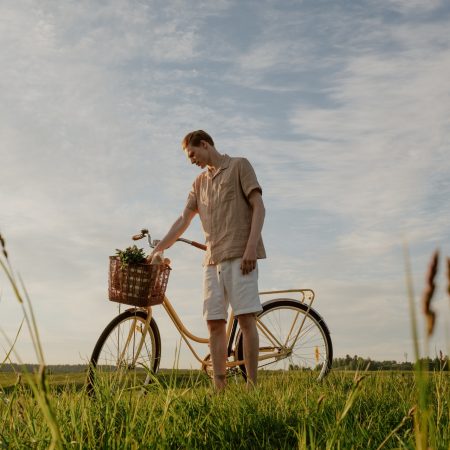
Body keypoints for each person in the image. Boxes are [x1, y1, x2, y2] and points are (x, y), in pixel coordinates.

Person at [149, 130, 266, 390]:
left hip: (239, 254)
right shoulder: (198, 183)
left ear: (204, 144)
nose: (191, 160)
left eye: (192, 154)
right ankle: (219, 389)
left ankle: (252, 388)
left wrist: (250, 249)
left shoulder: (239, 165)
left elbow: (259, 206)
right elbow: (183, 220)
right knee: (214, 323)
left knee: (246, 321)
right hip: (212, 260)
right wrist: (159, 247)